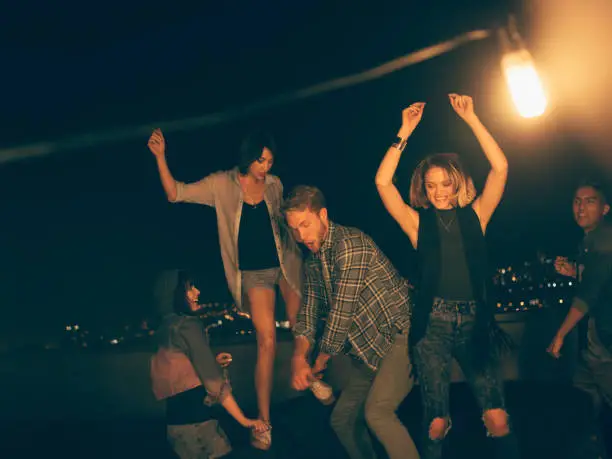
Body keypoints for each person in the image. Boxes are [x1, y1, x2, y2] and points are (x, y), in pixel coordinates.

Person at [375, 95, 519, 459]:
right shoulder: (416, 223)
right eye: (431, 185)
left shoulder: (477, 216)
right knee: (435, 424)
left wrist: (472, 119)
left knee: (498, 418)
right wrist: (403, 132)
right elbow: (382, 182)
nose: (438, 191)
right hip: (433, 325)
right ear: (424, 187)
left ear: (456, 183)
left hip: (475, 322)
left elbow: (500, 168)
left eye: (445, 183)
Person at [148, 129, 302, 449]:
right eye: (261, 161)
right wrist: (161, 157)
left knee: (304, 327)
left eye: (270, 161)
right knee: (268, 340)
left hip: (287, 265)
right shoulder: (221, 184)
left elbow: (289, 224)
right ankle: (262, 424)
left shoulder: (275, 185)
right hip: (255, 275)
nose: (265, 167)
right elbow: (175, 193)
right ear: (247, 158)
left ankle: (311, 374)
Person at [283, 185, 419, 459]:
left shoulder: (350, 244)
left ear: (323, 215)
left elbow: (341, 313)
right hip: (369, 355)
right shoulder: (312, 264)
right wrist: (299, 356)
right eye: (293, 229)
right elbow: (308, 312)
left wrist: (319, 361)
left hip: (402, 338)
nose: (300, 236)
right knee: (342, 421)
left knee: (377, 412)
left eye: (305, 225)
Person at [150, 270, 267, 459]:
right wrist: (245, 421)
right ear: (176, 294)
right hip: (200, 427)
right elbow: (214, 383)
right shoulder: (188, 325)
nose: (197, 292)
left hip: (175, 428)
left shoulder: (164, 328)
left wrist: (212, 362)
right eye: (189, 288)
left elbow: (177, 373)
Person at [548, 182, 612, 458]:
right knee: (584, 405)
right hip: (593, 345)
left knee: (587, 405)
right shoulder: (589, 242)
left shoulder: (605, 239)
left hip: (604, 345)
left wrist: (560, 333)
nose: (581, 207)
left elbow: (591, 292)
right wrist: (575, 270)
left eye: (590, 201)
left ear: (605, 208)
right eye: (576, 201)